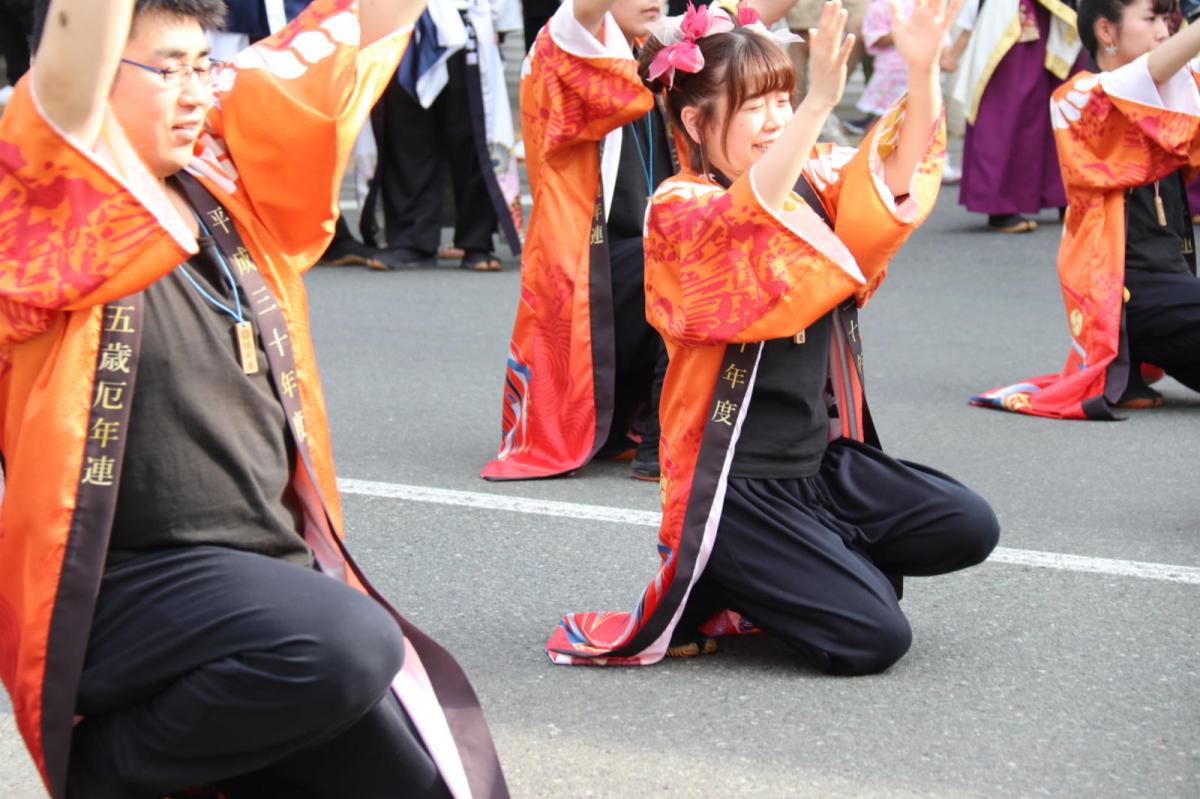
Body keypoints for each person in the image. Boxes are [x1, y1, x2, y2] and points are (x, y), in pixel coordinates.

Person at [0, 1, 509, 797]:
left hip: (266, 576)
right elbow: (64, 76)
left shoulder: (223, 182)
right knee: (346, 646)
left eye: (204, 66)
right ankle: (109, 775)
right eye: (167, 69)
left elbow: (352, 32)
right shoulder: (38, 203)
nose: (199, 90)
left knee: (436, 781)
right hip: (126, 586)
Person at [545, 0, 999, 674]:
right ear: (695, 122)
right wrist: (817, 103)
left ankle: (796, 565)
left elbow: (888, 185)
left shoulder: (805, 182)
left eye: (782, 99)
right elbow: (742, 228)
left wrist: (924, 69)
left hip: (815, 462)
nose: (777, 119)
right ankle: (730, 570)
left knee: (968, 523)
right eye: (754, 105)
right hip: (736, 487)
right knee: (876, 637)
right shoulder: (678, 207)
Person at [972, 0, 1200, 418]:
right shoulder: (1076, 101)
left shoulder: (1177, 93)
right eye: (1150, 20)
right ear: (1106, 31)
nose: (1164, 32)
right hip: (1128, 294)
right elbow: (1141, 79)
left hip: (1177, 289)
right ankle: (1124, 358)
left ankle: (1134, 364)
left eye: (1167, 20)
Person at [368, 0, 522, 271]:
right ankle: (411, 239)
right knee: (406, 134)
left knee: (473, 134)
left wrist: (501, 21)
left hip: (466, 18)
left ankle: (477, 240)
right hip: (400, 17)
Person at [950, 0, 1084, 232]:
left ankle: (1064, 196)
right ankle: (1001, 202)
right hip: (1017, 14)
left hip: (1066, 13)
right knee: (1010, 104)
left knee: (1067, 103)